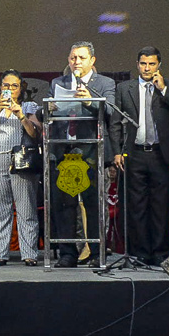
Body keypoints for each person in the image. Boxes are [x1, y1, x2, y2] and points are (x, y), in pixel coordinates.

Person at [112, 46, 169, 266]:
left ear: (159, 65)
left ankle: (160, 252)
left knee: (160, 205)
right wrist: (117, 153)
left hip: (160, 153)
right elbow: (115, 124)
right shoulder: (124, 88)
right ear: (137, 64)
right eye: (143, 63)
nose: (147, 68)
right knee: (136, 206)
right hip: (134, 153)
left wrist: (164, 89)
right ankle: (139, 253)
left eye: (151, 64)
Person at [47, 43, 114, 268]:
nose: (77, 61)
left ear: (92, 60)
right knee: (64, 205)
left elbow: (111, 112)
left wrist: (90, 102)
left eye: (82, 58)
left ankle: (96, 252)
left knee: (92, 203)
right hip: (63, 150)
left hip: (90, 151)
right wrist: (50, 108)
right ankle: (67, 254)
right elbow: (41, 111)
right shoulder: (58, 83)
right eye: (73, 57)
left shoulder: (104, 83)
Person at [0, 72, 42, 266]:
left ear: (20, 88)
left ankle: (29, 253)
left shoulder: (28, 107)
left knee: (26, 208)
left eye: (14, 86)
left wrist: (21, 115)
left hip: (21, 161)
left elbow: (35, 134)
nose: (9, 90)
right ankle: (0, 253)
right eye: (6, 86)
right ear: (0, 88)